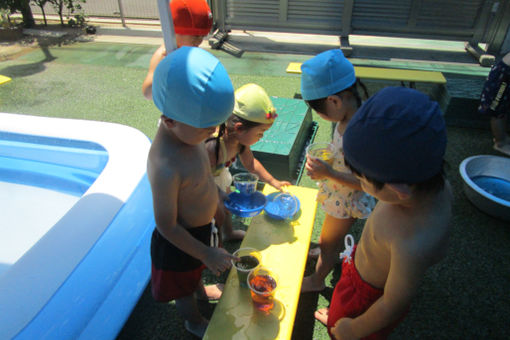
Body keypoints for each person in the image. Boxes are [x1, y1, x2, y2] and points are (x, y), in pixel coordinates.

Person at [319, 87, 452, 340]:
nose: (358, 181)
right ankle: (337, 314)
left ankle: (339, 325)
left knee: (341, 328)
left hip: (366, 301)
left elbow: (392, 305)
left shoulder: (412, 242)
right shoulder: (437, 184)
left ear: (398, 189)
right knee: (339, 311)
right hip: (359, 268)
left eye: (361, 179)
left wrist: (353, 328)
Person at [148, 46, 238, 338]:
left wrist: (218, 200)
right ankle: (194, 321)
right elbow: (166, 225)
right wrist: (205, 253)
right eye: (206, 128)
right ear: (170, 120)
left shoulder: (190, 133)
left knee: (194, 274)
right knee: (182, 289)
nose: (212, 133)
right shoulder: (165, 165)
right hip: (179, 244)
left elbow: (202, 178)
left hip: (201, 232)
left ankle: (200, 287)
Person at [299, 49, 376, 293]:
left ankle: (317, 279)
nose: (322, 117)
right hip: (339, 191)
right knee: (329, 240)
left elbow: (368, 182)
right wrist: (329, 167)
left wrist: (328, 173)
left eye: (320, 111)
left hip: (346, 198)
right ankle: (323, 253)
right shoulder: (350, 116)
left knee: (329, 241)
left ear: (334, 101)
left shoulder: (359, 133)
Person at [206, 83, 292, 241]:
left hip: (217, 175)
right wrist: (217, 194)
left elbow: (251, 164)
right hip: (201, 182)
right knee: (213, 213)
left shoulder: (240, 142)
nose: (262, 137)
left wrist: (273, 181)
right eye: (260, 132)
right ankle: (212, 242)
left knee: (225, 208)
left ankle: (228, 233)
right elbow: (199, 177)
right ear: (239, 128)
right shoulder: (213, 147)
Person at [142, 0, 213, 100]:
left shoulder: (190, 49)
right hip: (174, 111)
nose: (199, 41)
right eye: (195, 36)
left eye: (203, 36)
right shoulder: (163, 55)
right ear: (176, 31)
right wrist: (165, 70)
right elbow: (147, 93)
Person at [479, 51, 510, 156]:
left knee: (502, 109)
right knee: (497, 111)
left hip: (505, 74)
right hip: (504, 78)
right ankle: (500, 142)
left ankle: (503, 137)